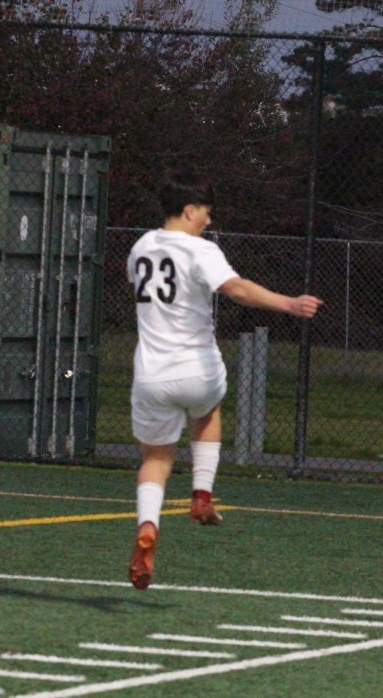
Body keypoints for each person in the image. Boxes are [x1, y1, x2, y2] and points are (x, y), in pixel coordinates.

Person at [126, 170, 323, 590]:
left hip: (151, 374)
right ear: (189, 210)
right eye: (206, 213)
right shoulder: (201, 250)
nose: (209, 222)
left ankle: (148, 525)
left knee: (155, 460)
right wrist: (288, 303)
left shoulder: (141, 245)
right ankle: (201, 493)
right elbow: (235, 289)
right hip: (197, 367)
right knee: (208, 410)